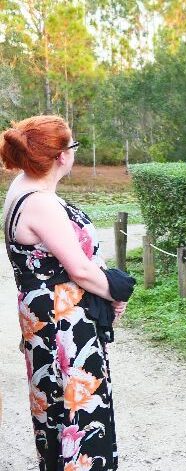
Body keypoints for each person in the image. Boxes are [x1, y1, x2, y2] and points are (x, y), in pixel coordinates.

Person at [1, 115, 135, 471]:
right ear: (61, 156)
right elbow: (77, 268)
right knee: (77, 405)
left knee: (56, 404)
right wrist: (116, 291)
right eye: (72, 145)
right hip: (63, 322)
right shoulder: (40, 203)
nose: (74, 151)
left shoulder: (23, 185)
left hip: (47, 315)